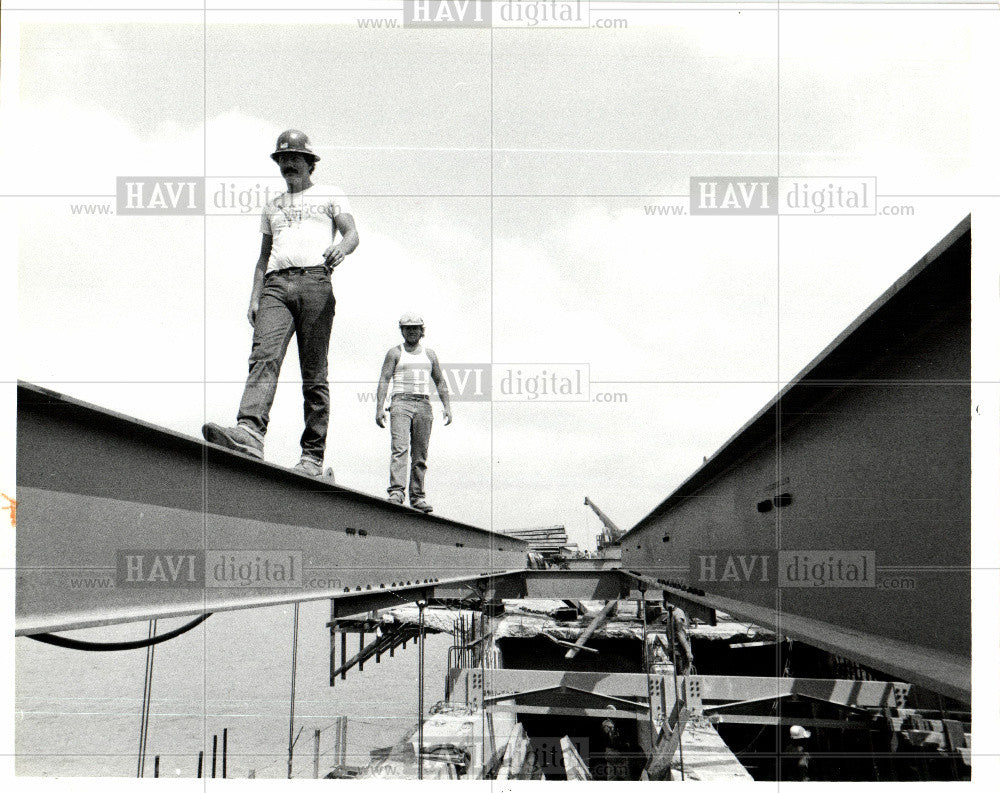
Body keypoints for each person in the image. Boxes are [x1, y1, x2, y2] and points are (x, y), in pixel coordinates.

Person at [203, 129, 359, 476]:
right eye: (283, 159)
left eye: (295, 158)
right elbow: (262, 257)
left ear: (309, 163)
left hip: (315, 282)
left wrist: (341, 249)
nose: (289, 164)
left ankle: (312, 458)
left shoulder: (330, 195)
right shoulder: (272, 206)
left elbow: (351, 233)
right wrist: (254, 296)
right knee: (263, 355)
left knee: (314, 372)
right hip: (276, 284)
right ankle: (250, 432)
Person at [375, 314, 452, 512]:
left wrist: (447, 408)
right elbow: (384, 379)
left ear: (421, 330)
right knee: (399, 449)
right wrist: (379, 408)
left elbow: (440, 382)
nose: (411, 331)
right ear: (402, 330)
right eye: (407, 328)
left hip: (424, 405)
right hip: (401, 402)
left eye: (415, 328)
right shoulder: (395, 352)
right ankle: (397, 492)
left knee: (420, 454)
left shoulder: (430, 354)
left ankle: (417, 496)